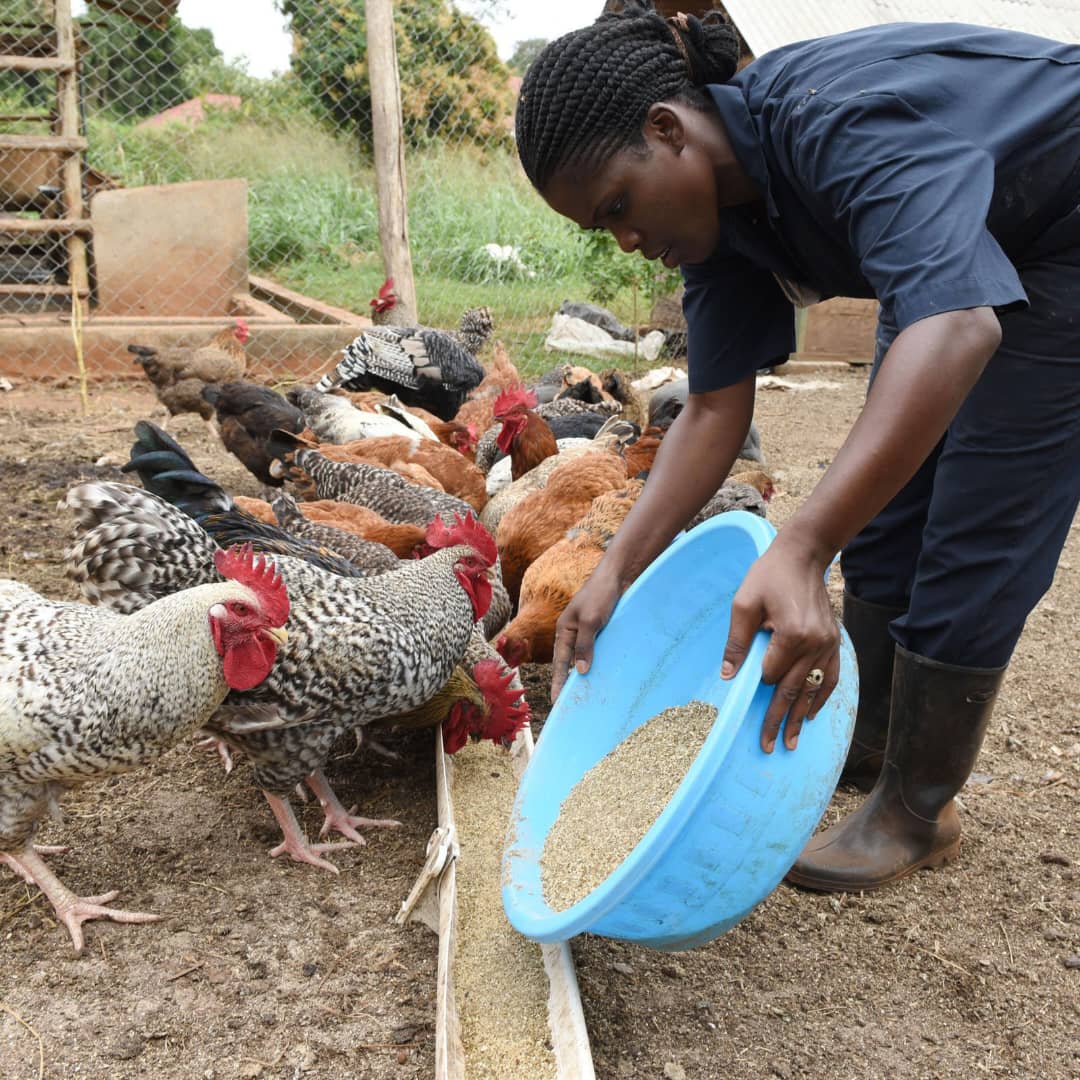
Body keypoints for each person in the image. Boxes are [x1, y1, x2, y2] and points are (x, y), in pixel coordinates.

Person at [514, 5, 1080, 892]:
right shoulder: (720, 219)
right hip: (971, 250)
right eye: (603, 228)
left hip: (1064, 233)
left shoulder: (831, 121)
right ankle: (869, 739)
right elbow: (713, 409)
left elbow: (957, 325)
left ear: (668, 130)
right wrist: (615, 567)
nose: (626, 240)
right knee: (887, 509)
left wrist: (804, 547)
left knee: (982, 514)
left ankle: (917, 811)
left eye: (619, 205)